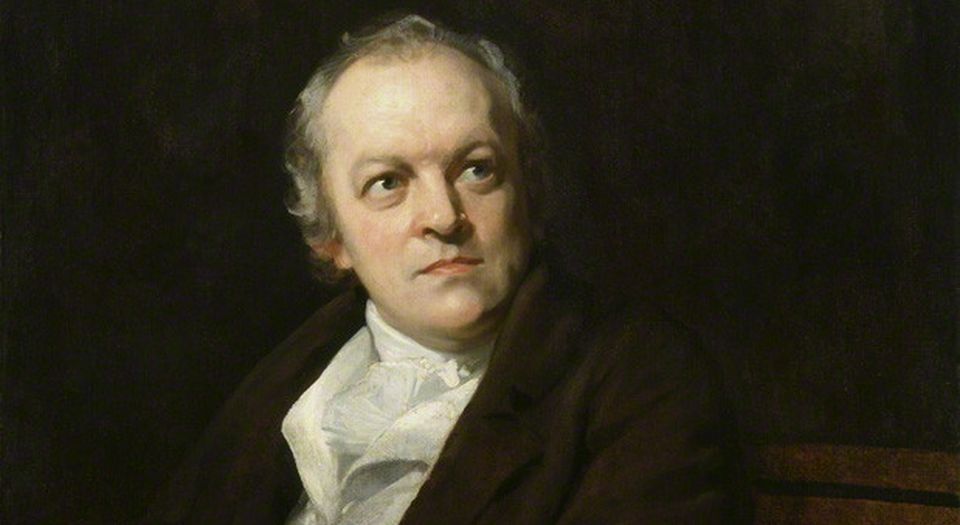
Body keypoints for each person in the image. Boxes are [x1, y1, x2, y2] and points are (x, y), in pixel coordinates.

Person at [144, 14, 746, 525]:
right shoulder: (285, 388)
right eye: (388, 182)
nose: (443, 216)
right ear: (332, 237)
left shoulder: (639, 374)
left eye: (477, 169)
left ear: (528, 191)